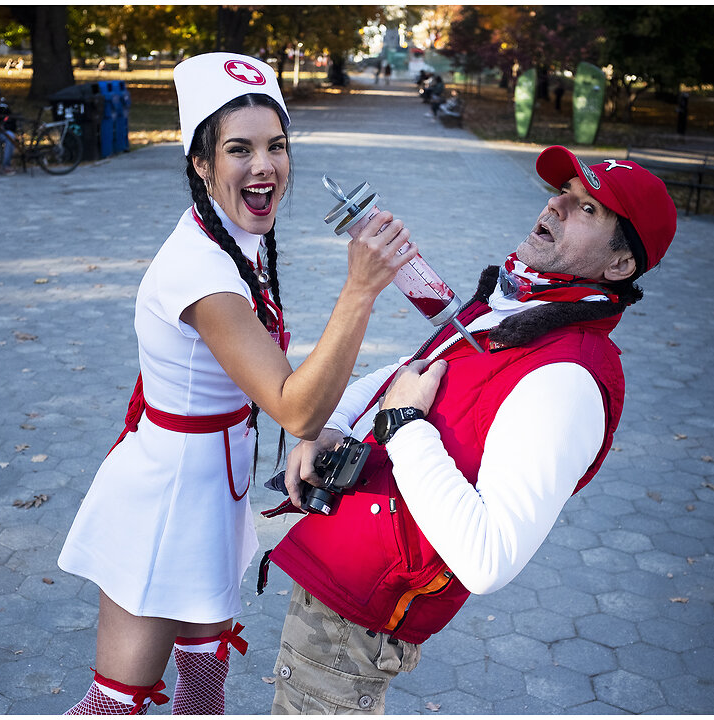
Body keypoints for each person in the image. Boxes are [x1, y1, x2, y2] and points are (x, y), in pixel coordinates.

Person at [57, 52, 416, 715]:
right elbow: (293, 405)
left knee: (203, 685)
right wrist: (360, 289)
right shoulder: (201, 270)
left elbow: (280, 396)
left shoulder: (229, 237)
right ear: (200, 163)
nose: (265, 165)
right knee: (114, 704)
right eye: (239, 149)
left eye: (276, 146)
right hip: (163, 503)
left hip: (212, 490)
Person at [260, 146, 678, 714]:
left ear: (621, 266)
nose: (555, 204)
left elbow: (489, 558)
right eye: (563, 192)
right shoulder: (513, 310)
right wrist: (330, 425)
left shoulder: (570, 376)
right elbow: (414, 370)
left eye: (586, 209)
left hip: (359, 623)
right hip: (338, 564)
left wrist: (404, 425)